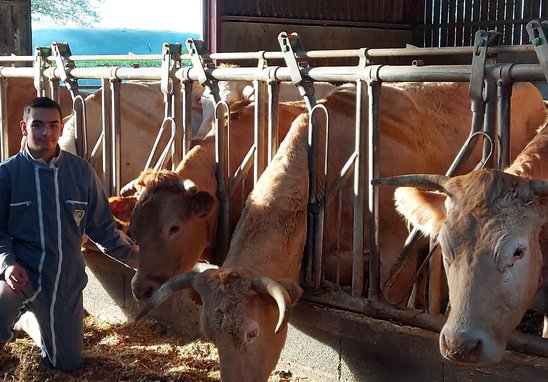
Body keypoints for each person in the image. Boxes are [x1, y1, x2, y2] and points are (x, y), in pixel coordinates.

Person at [0, 97, 139, 372]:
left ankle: (29, 321)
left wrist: (143, 261)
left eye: (53, 125)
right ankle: (16, 313)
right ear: (24, 128)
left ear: (61, 128)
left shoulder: (81, 172)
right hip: (22, 275)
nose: (46, 133)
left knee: (65, 365)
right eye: (37, 125)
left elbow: (103, 230)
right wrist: (7, 264)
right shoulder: (7, 175)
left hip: (65, 280)